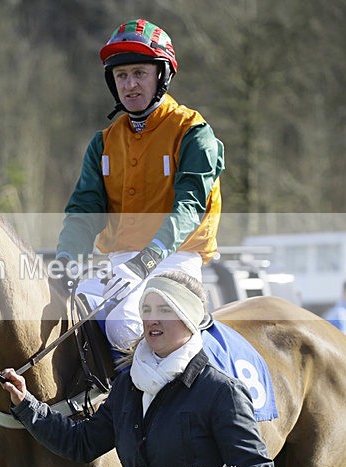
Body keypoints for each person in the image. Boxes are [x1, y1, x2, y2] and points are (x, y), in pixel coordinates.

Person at [1, 272, 278, 467]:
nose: (152, 319)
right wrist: (27, 404)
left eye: (164, 310)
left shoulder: (221, 392)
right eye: (147, 311)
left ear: (189, 317)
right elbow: (81, 443)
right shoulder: (126, 386)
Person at [56, 19, 224, 355]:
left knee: (125, 326)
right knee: (61, 314)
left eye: (139, 73)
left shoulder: (193, 132)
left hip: (176, 261)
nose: (130, 84)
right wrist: (65, 261)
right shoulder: (102, 143)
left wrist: (145, 261)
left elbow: (188, 208)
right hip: (119, 264)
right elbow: (84, 211)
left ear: (161, 75)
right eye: (121, 76)